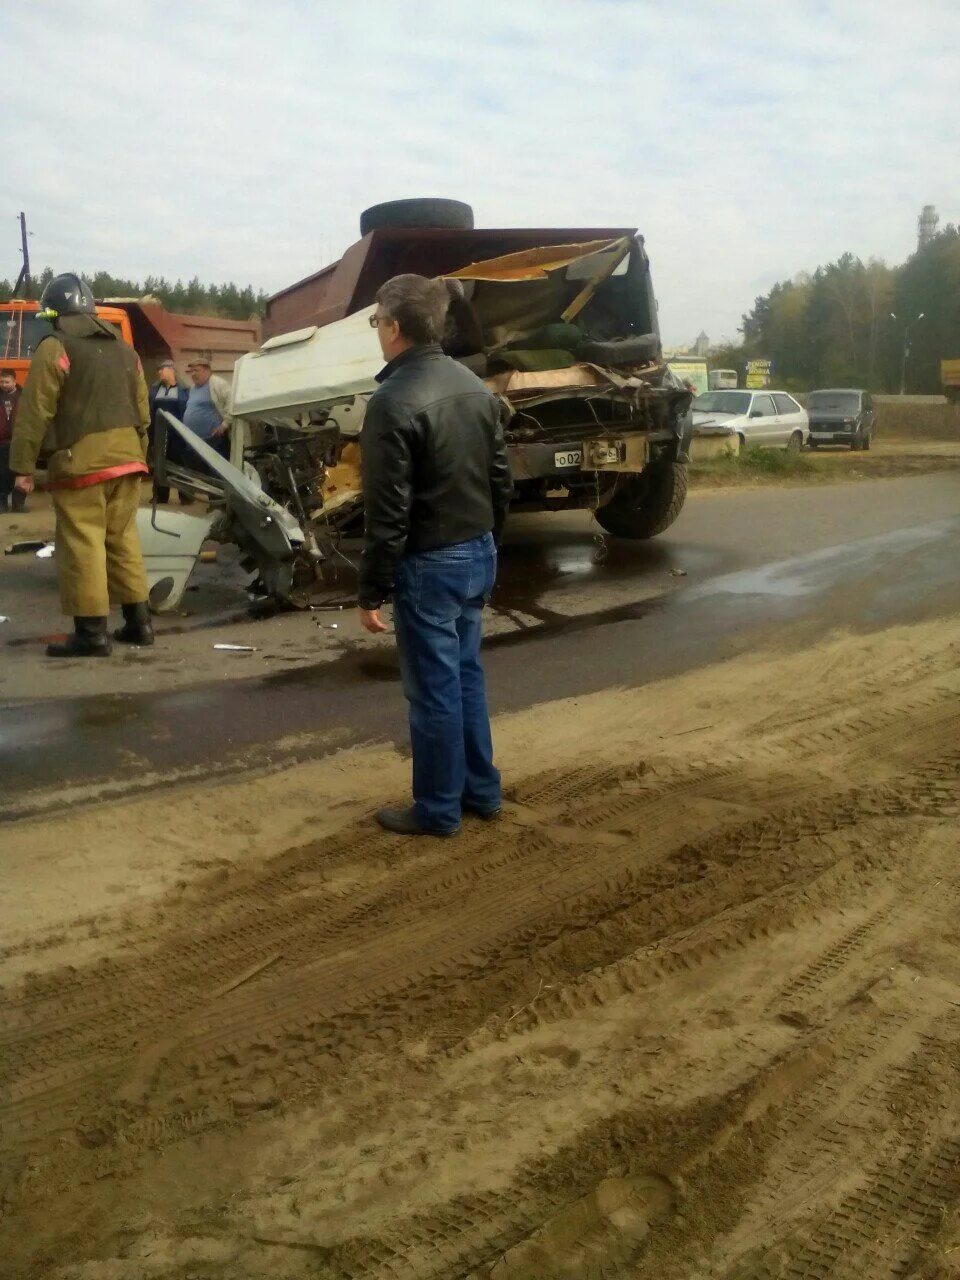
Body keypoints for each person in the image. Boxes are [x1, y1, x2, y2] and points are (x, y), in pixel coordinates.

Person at [359, 273, 513, 837]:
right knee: (466, 677)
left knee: (434, 692)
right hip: (476, 552)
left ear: (395, 327)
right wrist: (490, 540)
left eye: (377, 321)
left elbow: (388, 513)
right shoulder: (473, 384)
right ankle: (482, 793)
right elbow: (501, 481)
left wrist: (371, 589)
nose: (378, 330)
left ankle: (439, 810)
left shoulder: (392, 401)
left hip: (430, 562)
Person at [10, 272, 155, 656]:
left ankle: (91, 636)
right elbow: (143, 412)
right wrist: (141, 453)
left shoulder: (55, 347)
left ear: (55, 314)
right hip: (128, 460)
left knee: (83, 542)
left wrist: (22, 467)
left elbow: (35, 411)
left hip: (82, 462)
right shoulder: (126, 351)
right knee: (123, 539)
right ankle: (139, 625)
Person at [148, 358, 192, 503]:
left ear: (172, 370)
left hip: (178, 433)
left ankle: (185, 496)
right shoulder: (155, 389)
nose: (159, 372)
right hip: (160, 431)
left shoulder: (185, 391)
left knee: (181, 464)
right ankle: (160, 496)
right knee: (159, 463)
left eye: (162, 369)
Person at [184, 355, 234, 460]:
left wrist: (224, 426)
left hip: (213, 441)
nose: (193, 374)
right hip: (195, 441)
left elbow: (232, 405)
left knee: (215, 473)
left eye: (196, 370)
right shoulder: (193, 388)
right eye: (191, 371)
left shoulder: (218, 384)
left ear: (207, 370)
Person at [0, 368, 26, 513]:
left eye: (7, 381)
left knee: (21, 472)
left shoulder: (24, 397)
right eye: (2, 381)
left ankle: (18, 505)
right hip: (2, 441)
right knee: (2, 473)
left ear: (14, 381)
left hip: (19, 440)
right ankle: (2, 503)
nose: (4, 384)